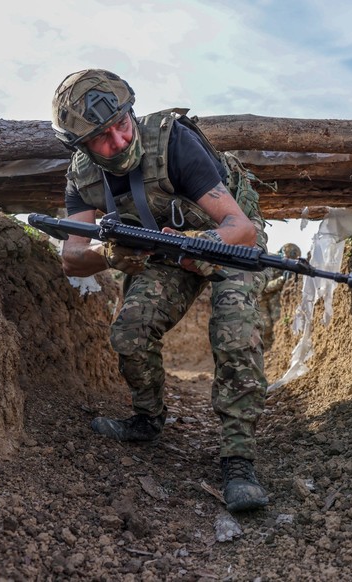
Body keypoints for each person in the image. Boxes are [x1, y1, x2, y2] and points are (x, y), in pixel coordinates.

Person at [51, 69, 270, 512]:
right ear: (81, 146)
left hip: (227, 242)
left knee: (234, 328)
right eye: (101, 138)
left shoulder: (173, 142)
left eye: (122, 125)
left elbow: (240, 228)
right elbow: (72, 256)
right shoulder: (83, 178)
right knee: (130, 329)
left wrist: (196, 246)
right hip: (166, 251)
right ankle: (148, 420)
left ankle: (238, 457)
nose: (117, 141)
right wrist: (113, 254)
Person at [259, 243, 302, 349]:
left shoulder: (286, 266)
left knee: (277, 323)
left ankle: (276, 348)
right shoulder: (269, 262)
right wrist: (281, 280)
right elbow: (264, 287)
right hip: (260, 300)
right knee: (265, 328)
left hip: (273, 299)